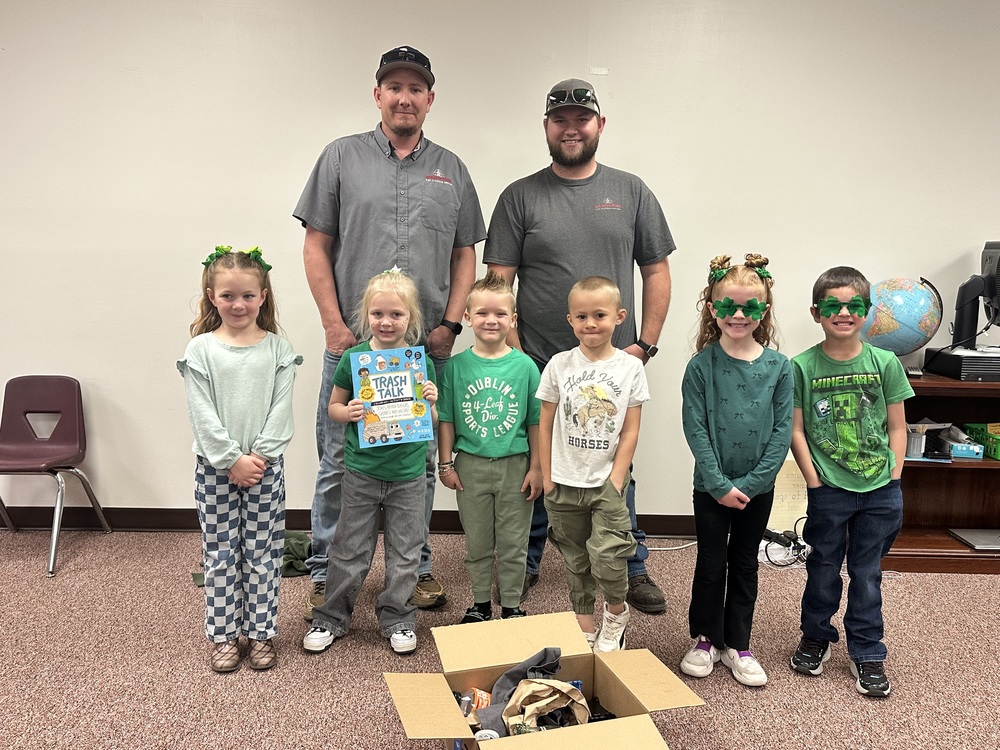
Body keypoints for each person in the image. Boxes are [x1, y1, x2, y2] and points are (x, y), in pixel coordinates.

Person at [293, 45, 487, 616]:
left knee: (418, 460)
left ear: (431, 98)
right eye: (394, 87)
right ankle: (326, 572)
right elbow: (315, 245)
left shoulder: (451, 169)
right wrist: (333, 323)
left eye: (416, 88)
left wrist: (452, 323)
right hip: (354, 347)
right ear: (377, 94)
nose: (405, 97)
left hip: (424, 352)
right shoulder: (339, 158)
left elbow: (464, 254)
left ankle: (416, 568)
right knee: (338, 461)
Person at [484, 78, 674, 614]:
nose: (571, 128)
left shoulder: (631, 190)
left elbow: (656, 270)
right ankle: (530, 556)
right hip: (541, 359)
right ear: (546, 127)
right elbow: (499, 283)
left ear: (599, 125)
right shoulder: (519, 196)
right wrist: (517, 352)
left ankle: (629, 564)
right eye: (560, 119)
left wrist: (644, 345)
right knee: (542, 458)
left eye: (581, 119)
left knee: (615, 458)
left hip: (613, 361)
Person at [789, 266, 913, 698]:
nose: (843, 313)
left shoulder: (885, 362)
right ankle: (816, 635)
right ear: (815, 312)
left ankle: (868, 651)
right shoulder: (800, 366)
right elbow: (797, 430)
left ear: (867, 312)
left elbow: (899, 427)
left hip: (881, 488)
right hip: (830, 490)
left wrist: (893, 477)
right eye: (832, 306)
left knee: (867, 573)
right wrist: (814, 481)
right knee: (822, 567)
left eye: (853, 306)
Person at [178, 246, 302, 673]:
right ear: (212, 295)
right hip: (215, 469)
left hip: (265, 470)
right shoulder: (200, 350)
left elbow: (281, 411)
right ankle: (225, 636)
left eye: (248, 296)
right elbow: (202, 413)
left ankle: (262, 632)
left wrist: (259, 456)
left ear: (263, 296)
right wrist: (231, 459)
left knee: (263, 553)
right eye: (228, 295)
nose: (238, 304)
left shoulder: (279, 350)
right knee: (219, 554)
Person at [302, 270, 438, 656]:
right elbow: (332, 407)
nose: (386, 321)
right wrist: (349, 412)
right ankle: (330, 618)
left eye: (396, 314)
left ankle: (398, 618)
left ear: (410, 318)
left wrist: (431, 400)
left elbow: (431, 419)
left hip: (408, 474)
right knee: (348, 550)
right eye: (378, 314)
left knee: (406, 552)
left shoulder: (418, 363)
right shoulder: (354, 359)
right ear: (366, 316)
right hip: (361, 472)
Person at [679, 254, 792, 687]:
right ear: (712, 308)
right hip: (710, 488)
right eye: (728, 306)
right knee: (710, 563)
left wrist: (750, 484)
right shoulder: (700, 367)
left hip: (757, 489)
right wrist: (720, 484)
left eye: (749, 307)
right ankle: (706, 637)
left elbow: (782, 432)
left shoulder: (780, 368)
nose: (739, 315)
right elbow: (696, 429)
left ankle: (739, 645)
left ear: (764, 311)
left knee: (745, 564)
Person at [536, 277, 649, 651]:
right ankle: (584, 624)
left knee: (609, 555)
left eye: (599, 315)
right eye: (581, 316)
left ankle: (616, 613)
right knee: (576, 557)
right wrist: (547, 476)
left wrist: (617, 478)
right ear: (570, 320)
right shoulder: (559, 365)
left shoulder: (630, 367)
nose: (590, 324)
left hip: (605, 482)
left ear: (619, 317)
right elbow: (546, 420)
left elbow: (631, 428)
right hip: (563, 481)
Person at [437, 273, 543, 623]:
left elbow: (534, 422)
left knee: (514, 543)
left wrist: (537, 467)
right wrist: (445, 465)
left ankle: (511, 605)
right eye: (482, 313)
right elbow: (448, 419)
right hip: (470, 467)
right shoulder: (455, 366)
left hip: (516, 466)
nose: (491, 320)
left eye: (500, 314)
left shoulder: (525, 367)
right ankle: (480, 605)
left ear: (513, 320)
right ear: (467, 318)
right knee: (478, 543)